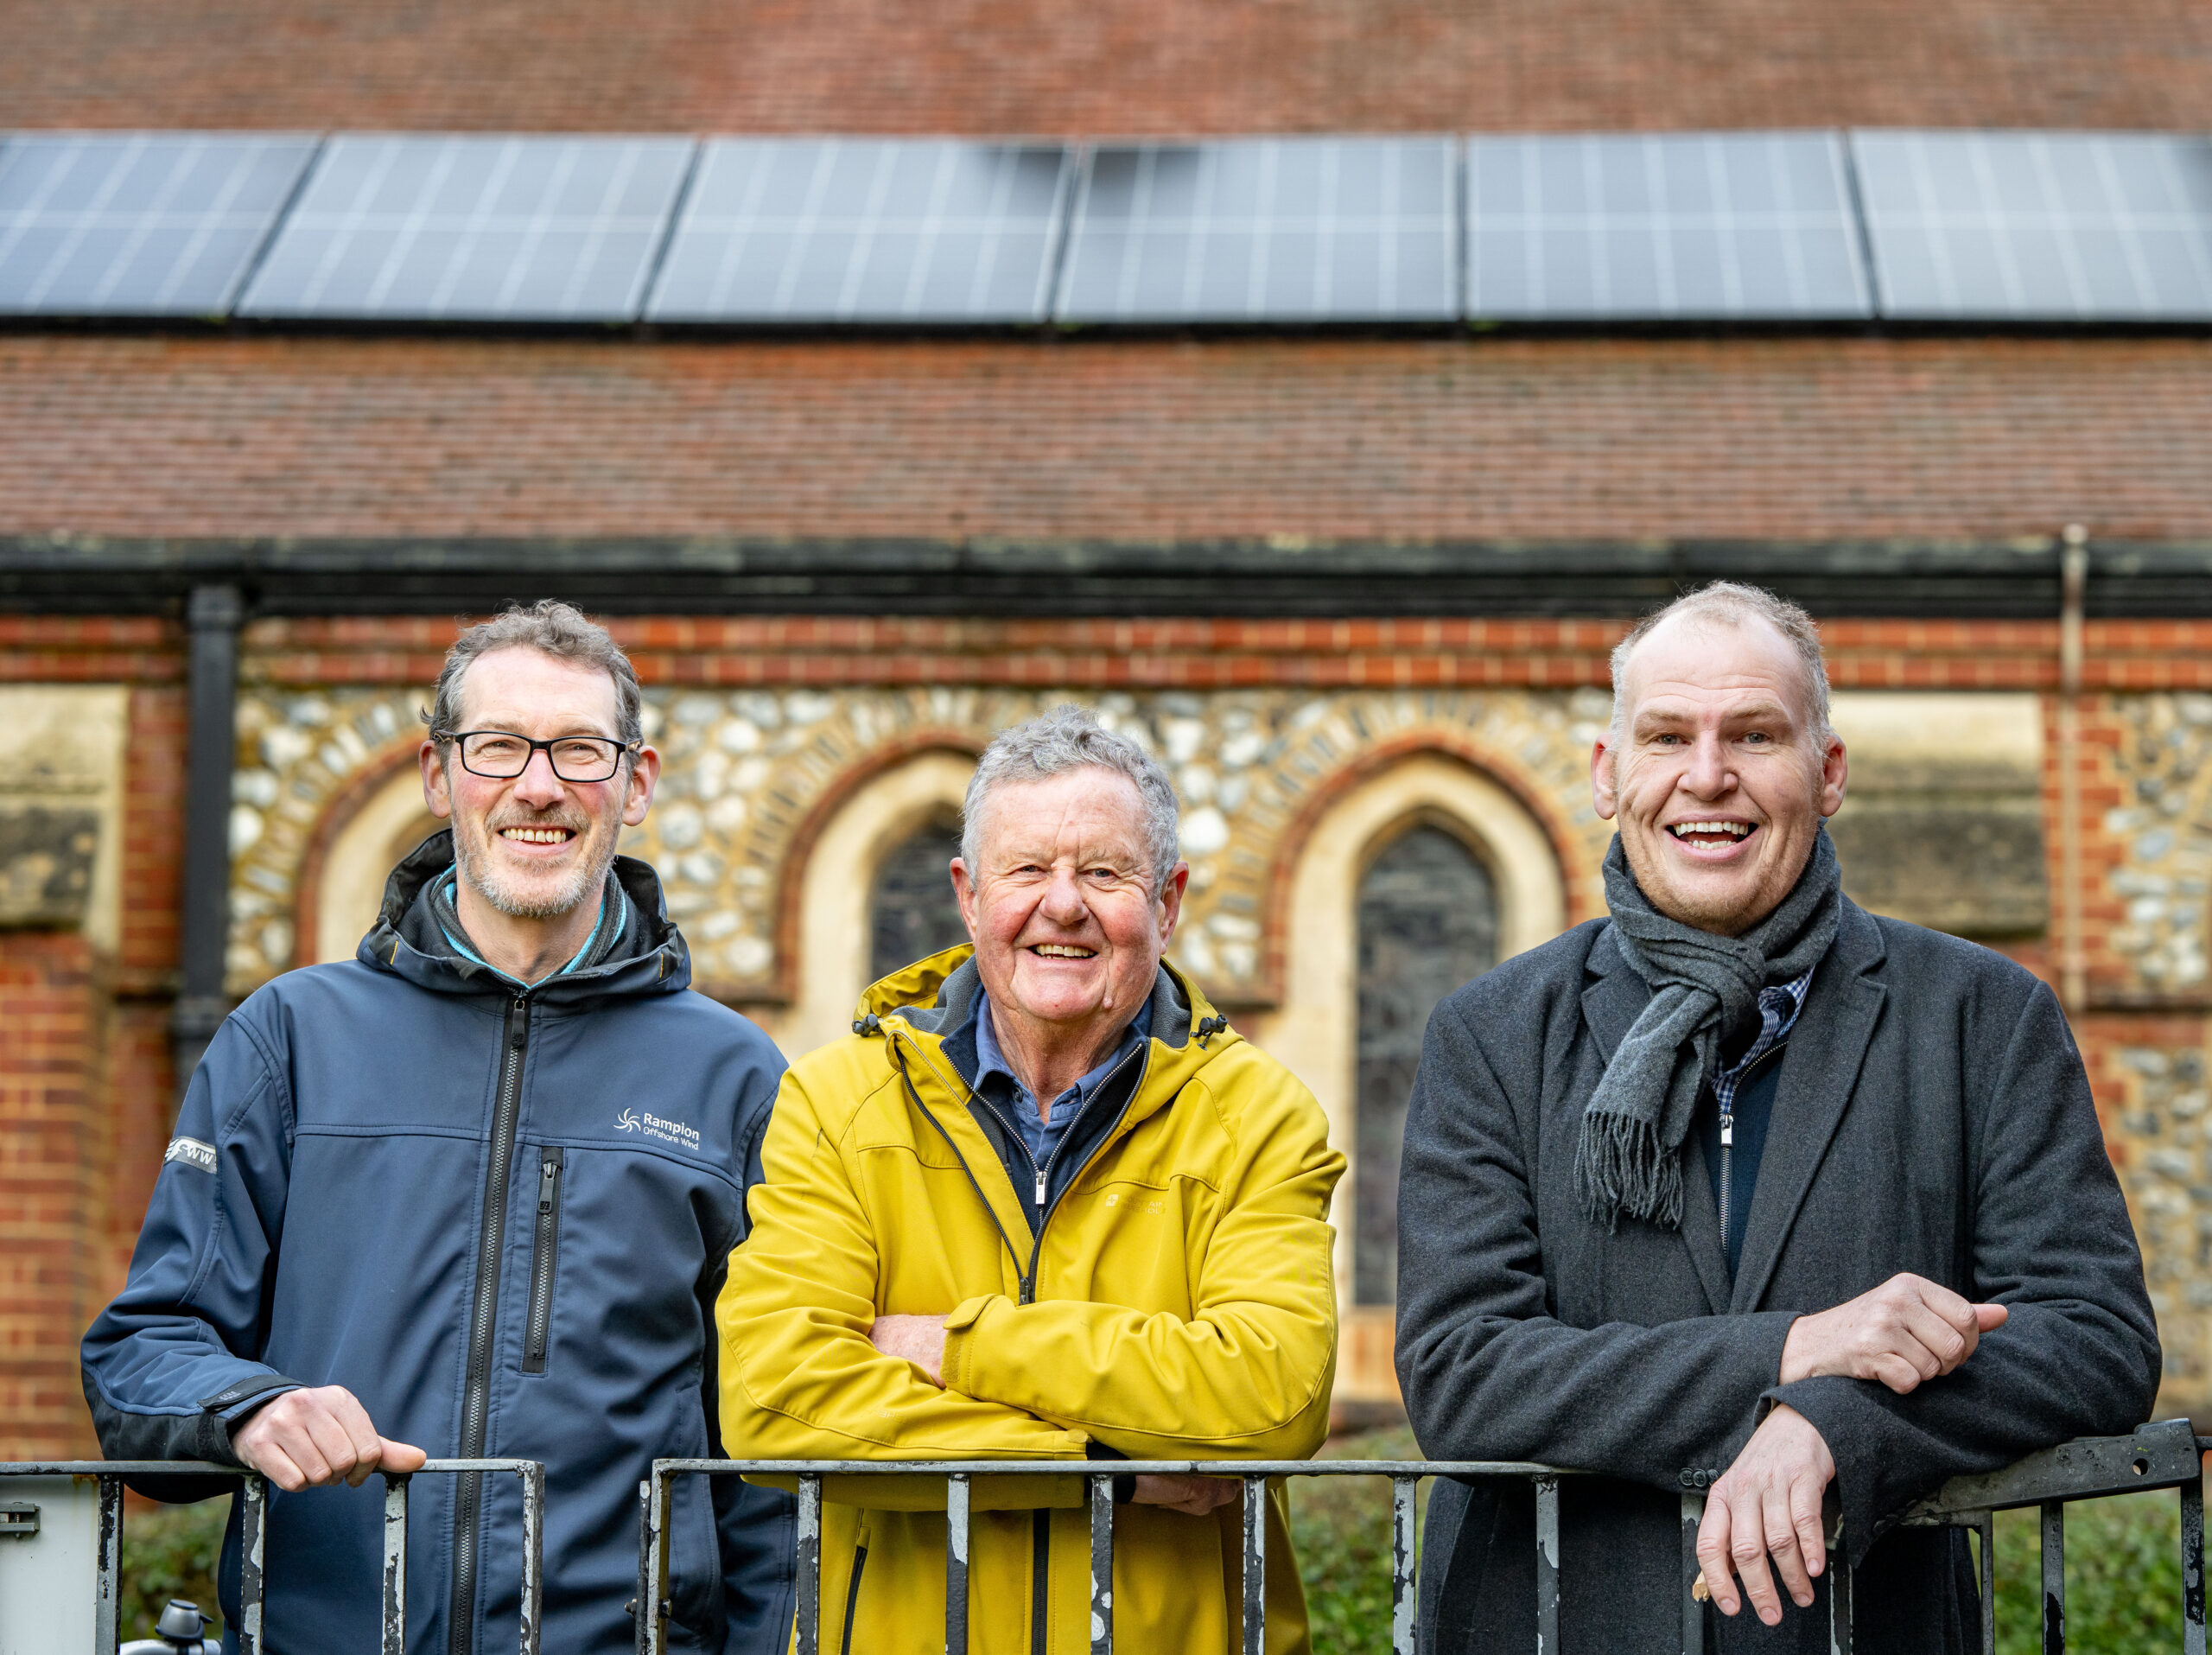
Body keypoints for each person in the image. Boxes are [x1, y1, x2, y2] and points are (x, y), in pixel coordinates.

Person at [1395, 582, 2159, 1653]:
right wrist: (1796, 1349)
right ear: (1610, 775)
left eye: (1754, 734)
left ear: (1827, 770)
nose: (1707, 776)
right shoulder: (1491, 1031)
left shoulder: (1982, 1015)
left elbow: (2096, 1338)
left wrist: (1838, 1420)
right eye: (1667, 736)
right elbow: (1462, 1369)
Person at [83, 602, 793, 1654]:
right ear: (437, 773)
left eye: (578, 750)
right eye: (498, 746)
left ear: (635, 784)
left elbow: (768, 1445)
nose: (538, 785)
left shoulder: (736, 1074)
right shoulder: (288, 1039)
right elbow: (140, 1352)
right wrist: (246, 1406)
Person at [717, 704, 1344, 1655]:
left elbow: (1272, 1398)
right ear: (969, 895)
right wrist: (1105, 1466)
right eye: (1026, 870)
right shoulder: (837, 1099)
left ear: (1167, 901)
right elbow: (772, 1400)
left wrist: (958, 1347)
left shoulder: (1258, 1116)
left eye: (1104, 871)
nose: (1062, 904)